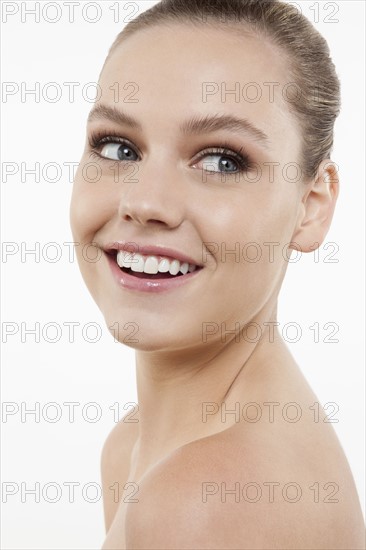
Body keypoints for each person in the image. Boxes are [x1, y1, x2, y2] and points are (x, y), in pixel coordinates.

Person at [69, 0, 365, 548]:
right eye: (118, 146)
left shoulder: (204, 499)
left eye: (222, 160)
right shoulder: (134, 447)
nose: (145, 201)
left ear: (313, 205)